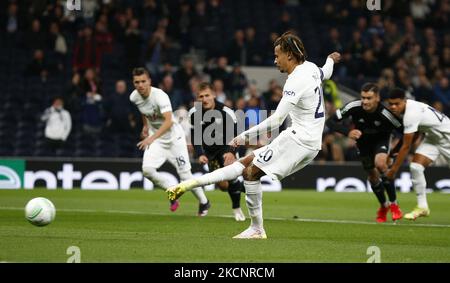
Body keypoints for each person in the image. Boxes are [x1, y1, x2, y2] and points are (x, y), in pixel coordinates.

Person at [167, 32, 341, 238]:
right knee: (244, 163)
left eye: (278, 56)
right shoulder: (311, 68)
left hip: (299, 140)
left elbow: (276, 120)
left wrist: (242, 137)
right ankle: (187, 185)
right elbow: (326, 72)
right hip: (308, 141)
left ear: (290, 56)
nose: (275, 60)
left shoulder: (295, 81)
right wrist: (331, 59)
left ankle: (257, 229)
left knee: (250, 174)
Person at [130, 67, 210, 216]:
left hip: (174, 140)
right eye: (137, 82)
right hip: (157, 140)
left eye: (143, 81)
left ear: (149, 82)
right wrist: (146, 126)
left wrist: (150, 138)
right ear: (133, 83)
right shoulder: (134, 97)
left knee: (186, 176)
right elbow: (143, 111)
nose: (140, 85)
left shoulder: (160, 96)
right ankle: (173, 190)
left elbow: (168, 122)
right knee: (147, 170)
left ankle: (204, 202)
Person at [326, 83, 404, 223]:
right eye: (363, 98)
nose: (365, 101)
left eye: (369, 98)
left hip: (381, 140)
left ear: (377, 98)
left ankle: (394, 204)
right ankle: (383, 206)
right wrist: (347, 132)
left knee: (380, 164)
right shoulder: (353, 106)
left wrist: (393, 153)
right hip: (363, 143)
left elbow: (405, 132)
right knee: (372, 177)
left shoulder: (386, 114)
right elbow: (330, 122)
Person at [386, 88, 450, 220]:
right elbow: (414, 136)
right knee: (416, 167)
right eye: (390, 104)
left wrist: (393, 170)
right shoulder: (409, 108)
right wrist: (392, 153)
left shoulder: (411, 114)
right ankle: (422, 207)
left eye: (396, 103)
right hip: (433, 138)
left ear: (404, 101)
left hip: (447, 138)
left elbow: (406, 146)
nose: (393, 107)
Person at [189, 82, 246, 221]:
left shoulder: (226, 111)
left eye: (207, 95)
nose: (204, 99)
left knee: (231, 177)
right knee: (222, 186)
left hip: (228, 147)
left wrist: (231, 152)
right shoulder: (194, 113)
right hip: (211, 152)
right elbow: (195, 136)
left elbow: (237, 135)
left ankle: (237, 209)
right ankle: (245, 186)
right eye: (201, 96)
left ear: (214, 95)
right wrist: (200, 154)